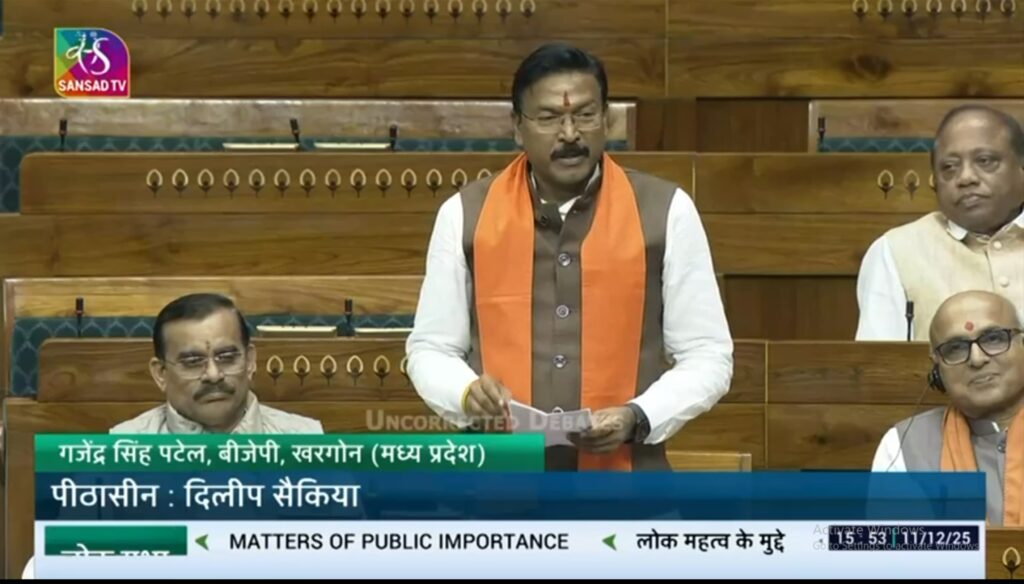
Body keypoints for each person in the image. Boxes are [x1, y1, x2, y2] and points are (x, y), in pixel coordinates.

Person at [405, 43, 734, 471]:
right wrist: (466, 394)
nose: (570, 134)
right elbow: (430, 349)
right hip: (498, 487)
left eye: (585, 114)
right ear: (517, 127)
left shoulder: (667, 210)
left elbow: (707, 354)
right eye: (548, 118)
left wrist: (638, 416)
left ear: (607, 119)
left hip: (627, 487)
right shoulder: (465, 214)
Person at [856, 105, 1024, 341]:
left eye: (985, 161)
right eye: (949, 167)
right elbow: (880, 361)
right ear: (935, 182)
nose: (965, 178)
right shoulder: (896, 251)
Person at [872, 290, 1024, 526]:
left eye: (994, 339)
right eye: (956, 348)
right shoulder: (904, 445)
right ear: (937, 371)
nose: (977, 359)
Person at [111, 293, 323, 434]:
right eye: (193, 362)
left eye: (227, 357)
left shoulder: (306, 440)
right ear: (161, 374)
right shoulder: (123, 449)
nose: (213, 375)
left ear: (250, 361)